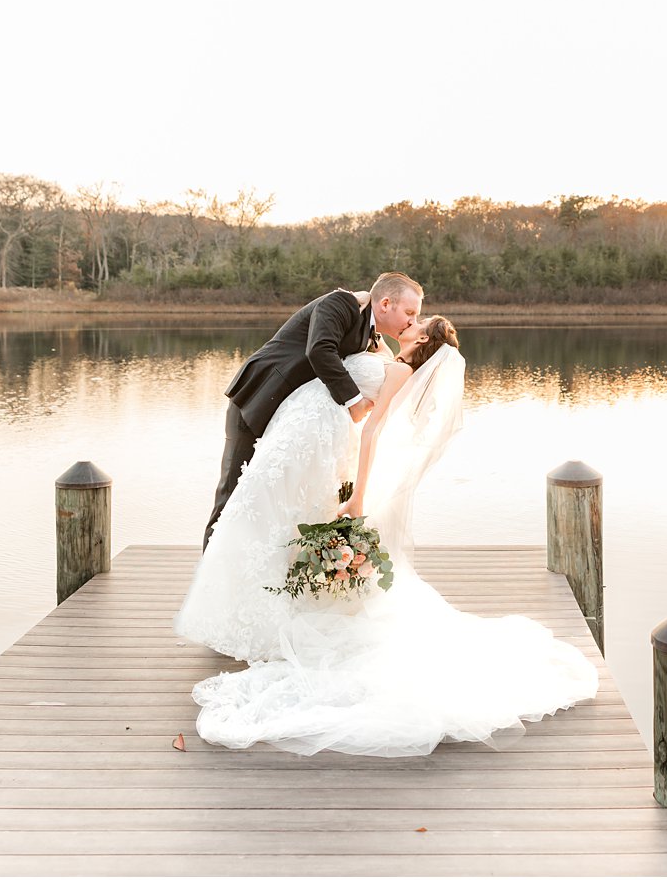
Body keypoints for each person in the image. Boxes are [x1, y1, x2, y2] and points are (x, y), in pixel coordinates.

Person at [175, 315, 599, 758]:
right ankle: (264, 609)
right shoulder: (386, 355)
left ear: (422, 340)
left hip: (320, 441)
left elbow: (374, 429)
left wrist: (359, 496)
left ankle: (271, 614)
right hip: (312, 441)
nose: (412, 322)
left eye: (420, 322)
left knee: (269, 521)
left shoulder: (399, 371)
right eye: (411, 315)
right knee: (270, 522)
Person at [201, 272, 423, 551]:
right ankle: (208, 576)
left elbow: (389, 362)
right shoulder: (340, 303)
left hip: (289, 421)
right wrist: (354, 401)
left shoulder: (369, 332)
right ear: (386, 304)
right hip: (258, 401)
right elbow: (319, 349)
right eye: (410, 312)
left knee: (265, 499)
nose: (412, 321)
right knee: (231, 495)